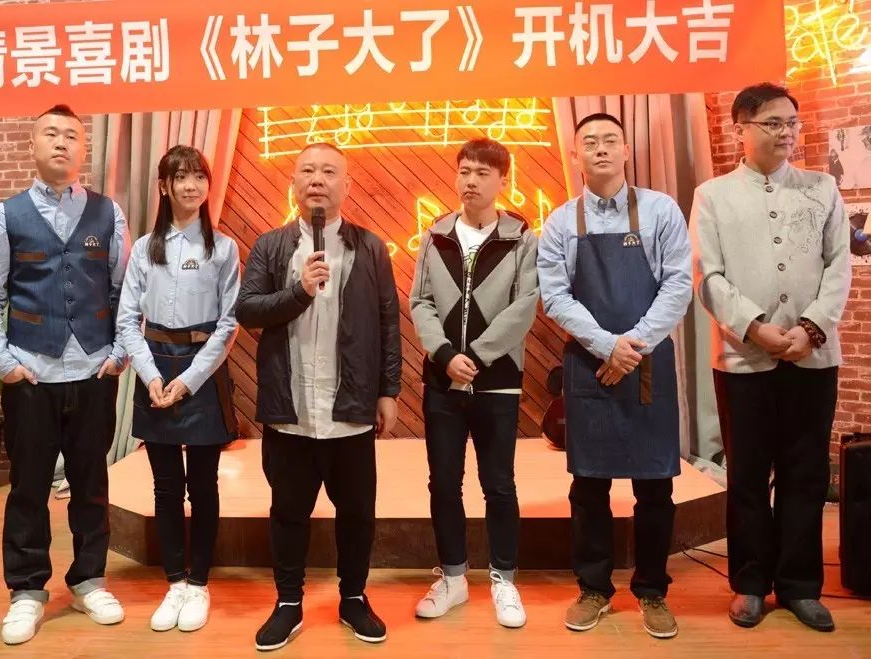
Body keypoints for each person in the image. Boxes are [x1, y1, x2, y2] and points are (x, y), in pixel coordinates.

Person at [691, 83, 850, 632]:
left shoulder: (821, 187)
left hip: (813, 356)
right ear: (741, 129)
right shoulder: (713, 195)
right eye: (773, 123)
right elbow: (707, 275)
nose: (786, 133)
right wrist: (756, 327)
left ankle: (801, 585)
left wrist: (811, 328)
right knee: (748, 474)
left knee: (806, 473)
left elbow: (839, 266)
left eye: (791, 123)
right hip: (744, 359)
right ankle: (750, 583)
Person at [0, 104, 130, 645]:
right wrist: (3, 362)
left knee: (91, 483)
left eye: (71, 136)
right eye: (51, 134)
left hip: (93, 370)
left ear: (84, 149)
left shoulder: (108, 213)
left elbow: (124, 291)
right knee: (29, 487)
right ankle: (26, 590)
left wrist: (119, 353)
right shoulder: (5, 216)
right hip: (31, 374)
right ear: (33, 145)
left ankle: (89, 580)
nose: (61, 143)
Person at [236, 142, 401, 651]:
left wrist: (389, 390)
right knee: (288, 513)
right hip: (291, 412)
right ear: (292, 183)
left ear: (346, 186)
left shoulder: (371, 247)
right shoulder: (271, 246)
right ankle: (288, 603)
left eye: (329, 172)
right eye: (307, 170)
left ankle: (353, 598)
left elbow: (388, 322)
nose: (317, 179)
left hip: (350, 410)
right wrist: (300, 291)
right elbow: (248, 310)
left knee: (357, 514)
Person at [537, 112, 693, 639]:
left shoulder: (661, 210)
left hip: (647, 362)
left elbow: (678, 284)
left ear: (626, 150)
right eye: (590, 142)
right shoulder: (561, 222)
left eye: (610, 140)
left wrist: (633, 346)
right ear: (576, 154)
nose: (601, 149)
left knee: (655, 486)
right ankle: (594, 589)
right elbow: (555, 296)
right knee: (588, 486)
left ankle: (652, 590)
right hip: (590, 364)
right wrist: (607, 346)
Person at [408, 137, 540, 628]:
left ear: (503, 180)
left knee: (498, 484)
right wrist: (445, 356)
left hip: (496, 381)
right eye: (464, 170)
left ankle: (504, 579)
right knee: (443, 483)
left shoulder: (521, 238)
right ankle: (454, 578)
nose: (471, 181)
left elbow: (525, 305)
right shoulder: (435, 235)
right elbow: (419, 301)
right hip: (442, 381)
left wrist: (477, 356)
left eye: (483, 172)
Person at [116, 145, 240, 633]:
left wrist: (187, 381)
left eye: (199, 177)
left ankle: (200, 583)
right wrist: (150, 376)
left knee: (203, 485)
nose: (191, 186)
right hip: (154, 365)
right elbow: (128, 320)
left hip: (202, 370)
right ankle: (174, 582)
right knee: (165, 486)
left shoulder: (223, 248)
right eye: (181, 177)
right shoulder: (145, 248)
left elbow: (228, 325)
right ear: (163, 187)